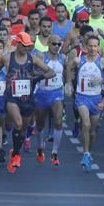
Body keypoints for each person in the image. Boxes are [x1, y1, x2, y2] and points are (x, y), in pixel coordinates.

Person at [0, 32, 56, 173]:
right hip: (11, 96)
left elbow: (51, 72)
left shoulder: (33, 59)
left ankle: (15, 152)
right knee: (17, 123)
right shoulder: (7, 57)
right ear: (17, 44)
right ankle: (17, 155)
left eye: (29, 46)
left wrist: (37, 78)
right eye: (24, 45)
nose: (26, 48)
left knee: (22, 129)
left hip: (27, 99)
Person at [66, 33, 104, 171]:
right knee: (85, 124)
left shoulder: (102, 62)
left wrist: (102, 82)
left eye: (95, 46)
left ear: (98, 47)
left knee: (92, 131)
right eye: (90, 46)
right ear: (86, 47)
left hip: (96, 98)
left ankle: (88, 151)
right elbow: (68, 67)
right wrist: (69, 83)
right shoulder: (78, 61)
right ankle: (85, 153)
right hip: (82, 97)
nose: (92, 48)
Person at [32, 37, 66, 166]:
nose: (56, 46)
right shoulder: (41, 57)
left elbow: (67, 72)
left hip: (56, 93)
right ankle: (40, 145)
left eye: (59, 44)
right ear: (48, 44)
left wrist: (68, 83)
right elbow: (33, 71)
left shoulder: (63, 58)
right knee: (40, 124)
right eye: (54, 44)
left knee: (58, 121)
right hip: (41, 93)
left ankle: (54, 152)